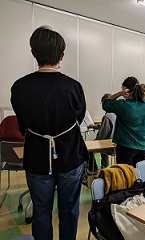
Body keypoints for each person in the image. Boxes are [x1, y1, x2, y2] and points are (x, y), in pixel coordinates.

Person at [10, 26, 88, 240]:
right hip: (71, 156)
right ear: (62, 55)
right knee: (69, 211)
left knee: (41, 212)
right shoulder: (74, 87)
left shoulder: (19, 87)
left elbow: (23, 125)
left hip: (36, 157)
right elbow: (78, 120)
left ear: (33, 53)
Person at [102, 76, 145, 167]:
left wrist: (119, 94)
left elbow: (105, 103)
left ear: (125, 89)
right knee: (139, 175)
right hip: (143, 147)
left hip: (125, 147)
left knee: (125, 176)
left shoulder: (123, 105)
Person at [87, 94, 116, 174]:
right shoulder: (115, 113)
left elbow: (103, 134)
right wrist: (95, 126)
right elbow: (107, 127)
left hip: (109, 146)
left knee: (88, 149)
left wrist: (93, 143)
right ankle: (105, 164)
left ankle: (93, 171)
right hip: (115, 142)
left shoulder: (107, 116)